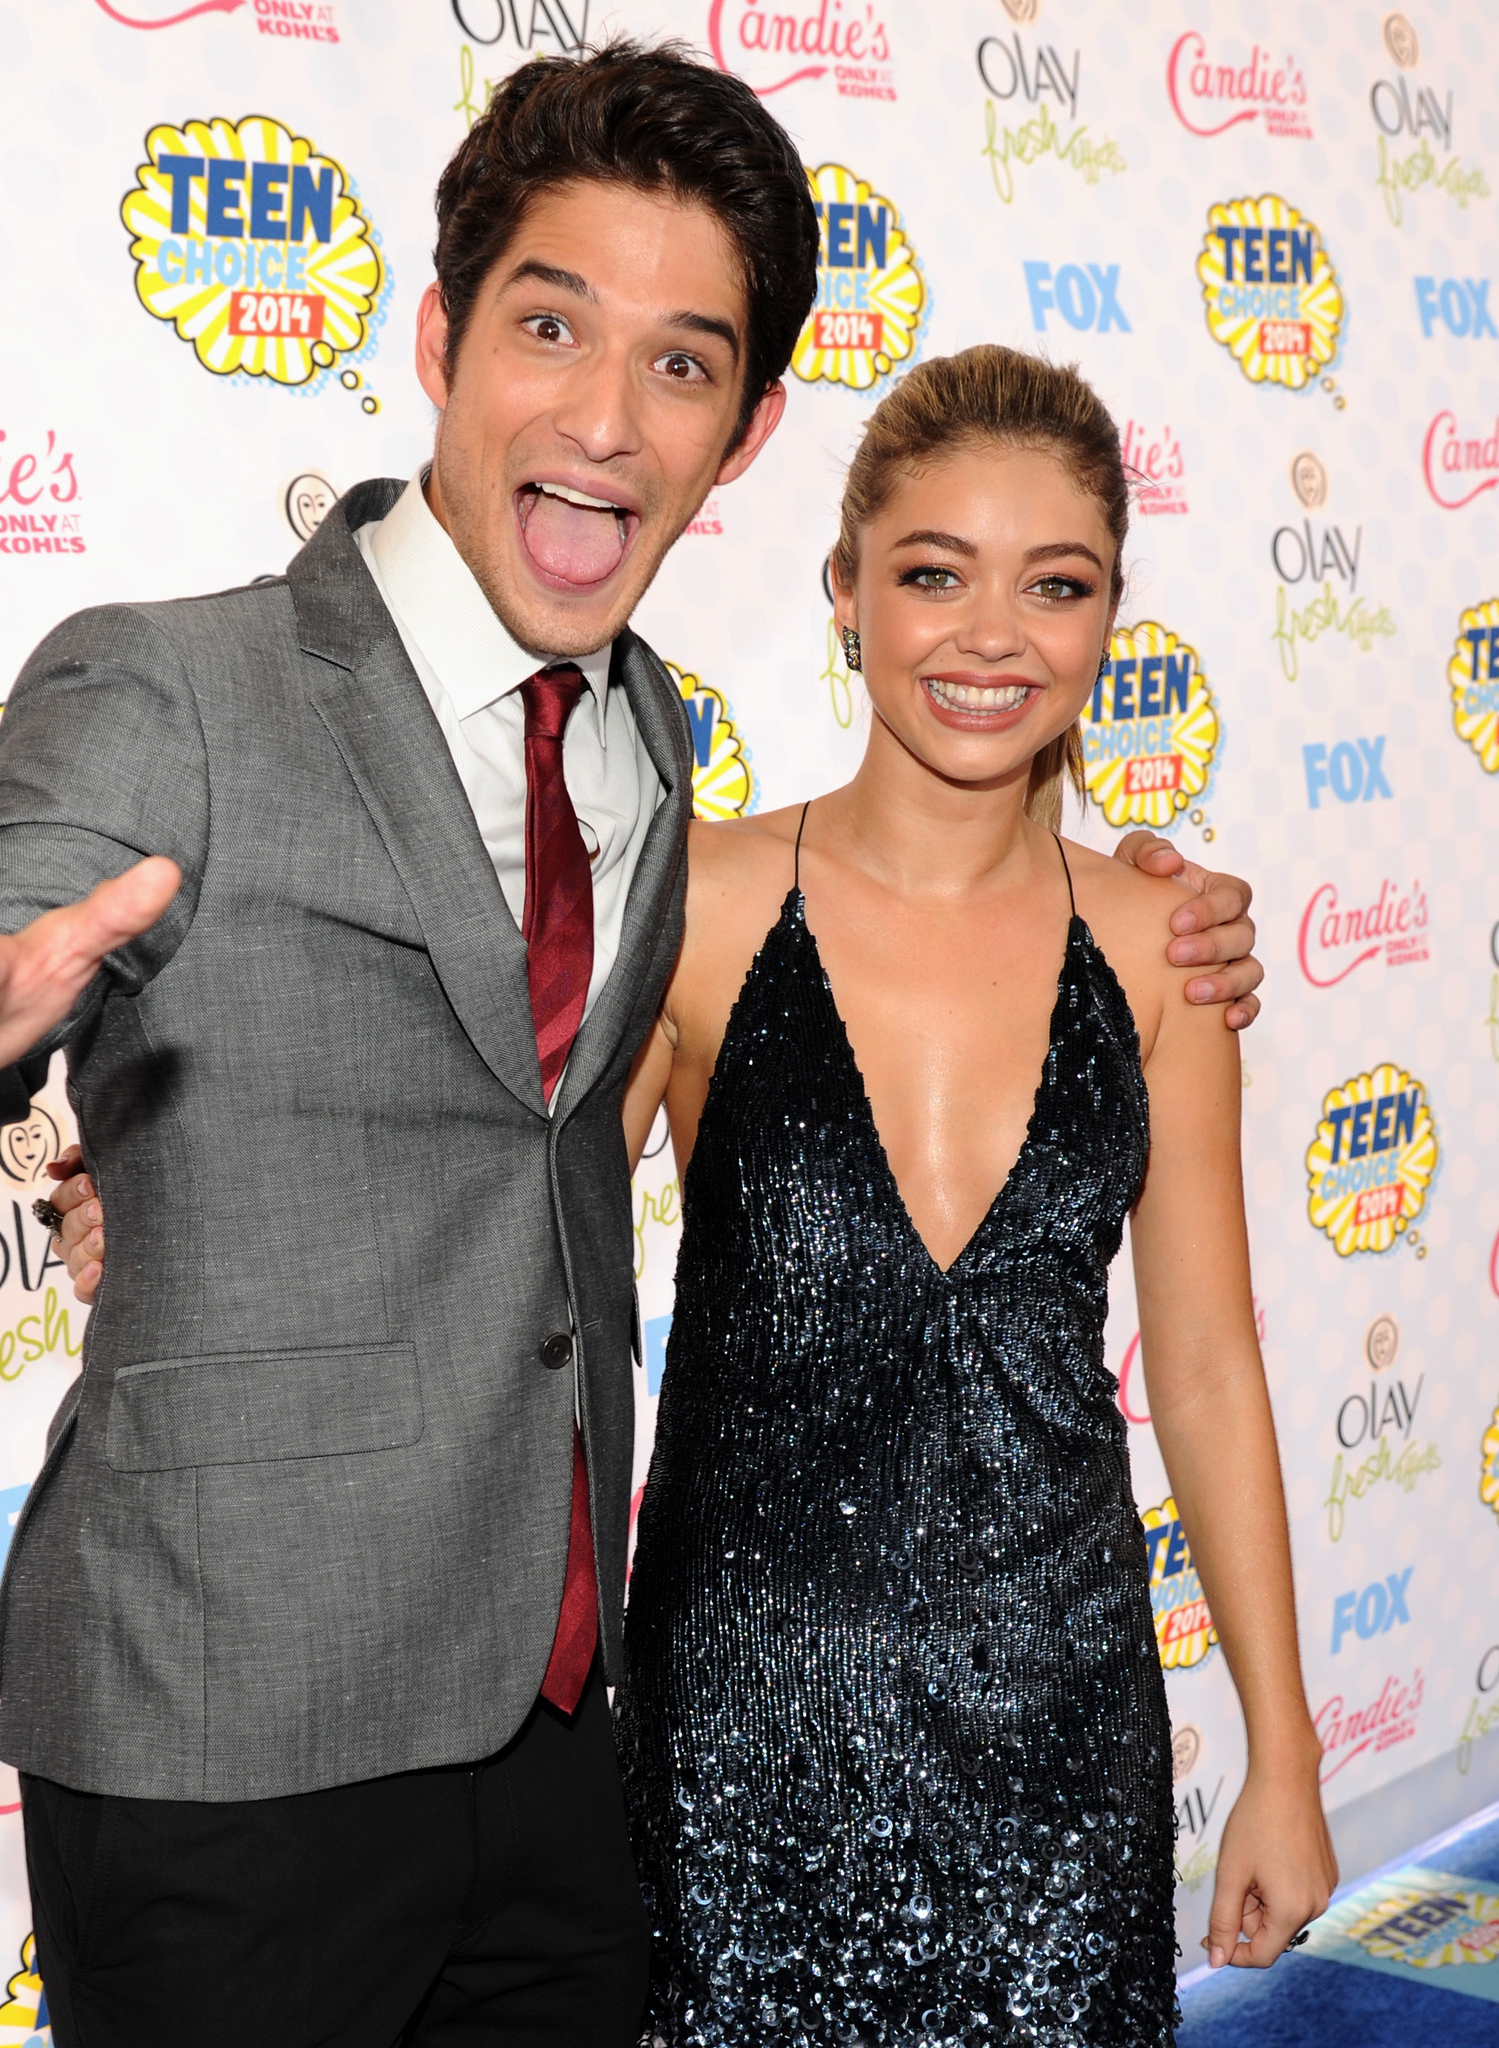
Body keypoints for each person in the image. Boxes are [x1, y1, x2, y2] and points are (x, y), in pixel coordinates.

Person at [0, 42, 1263, 2048]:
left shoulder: (654, 744)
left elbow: (541, 1135)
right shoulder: (171, 685)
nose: (606, 418)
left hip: (564, 1752)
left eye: (683, 364)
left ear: (744, 432)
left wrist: (1118, 884)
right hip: (229, 1745)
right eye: (553, 325)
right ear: (445, 335)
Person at [613, 347, 1335, 2046]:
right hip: (740, 1722)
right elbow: (513, 1261)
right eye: (932, 573)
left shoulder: (1166, 943)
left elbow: (1212, 1370)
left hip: (1061, 1723)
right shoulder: (698, 899)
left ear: (1104, 626)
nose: (991, 636)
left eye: (1054, 585)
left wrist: (1283, 1758)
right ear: (847, 594)